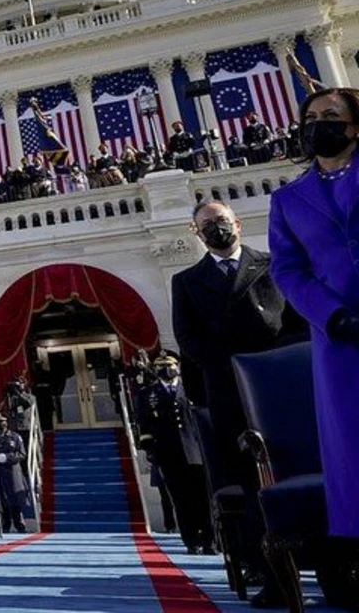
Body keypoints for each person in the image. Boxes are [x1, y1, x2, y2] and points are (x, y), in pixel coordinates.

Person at [171, 199, 304, 605]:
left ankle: (333, 568)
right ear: (196, 233)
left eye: (222, 221)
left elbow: (296, 322)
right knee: (252, 488)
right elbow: (188, 339)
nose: (217, 229)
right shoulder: (188, 281)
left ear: (238, 223)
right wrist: (233, 363)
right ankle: (274, 577)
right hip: (231, 393)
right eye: (207, 225)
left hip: (281, 390)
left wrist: (271, 362)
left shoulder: (272, 264)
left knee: (301, 472)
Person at [268, 87, 359, 541]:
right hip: (341, 339)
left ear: (353, 125)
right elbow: (287, 270)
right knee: (353, 449)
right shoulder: (287, 200)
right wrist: (334, 316)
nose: (318, 124)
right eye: (310, 118)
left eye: (330, 115)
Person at [135, 354, 213, 554]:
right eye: (161, 366)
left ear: (177, 366)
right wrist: (151, 452)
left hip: (195, 452)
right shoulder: (147, 395)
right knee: (181, 500)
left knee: (202, 498)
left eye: (169, 365)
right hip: (168, 454)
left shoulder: (191, 389)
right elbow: (144, 426)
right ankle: (191, 541)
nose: (166, 369)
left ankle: (209, 540)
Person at [0, 414, 27, 534]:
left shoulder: (15, 437)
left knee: (15, 498)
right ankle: (6, 524)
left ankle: (19, 523)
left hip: (12, 471)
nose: (0, 423)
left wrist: (8, 457)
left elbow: (21, 454)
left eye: (2, 421)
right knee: (2, 498)